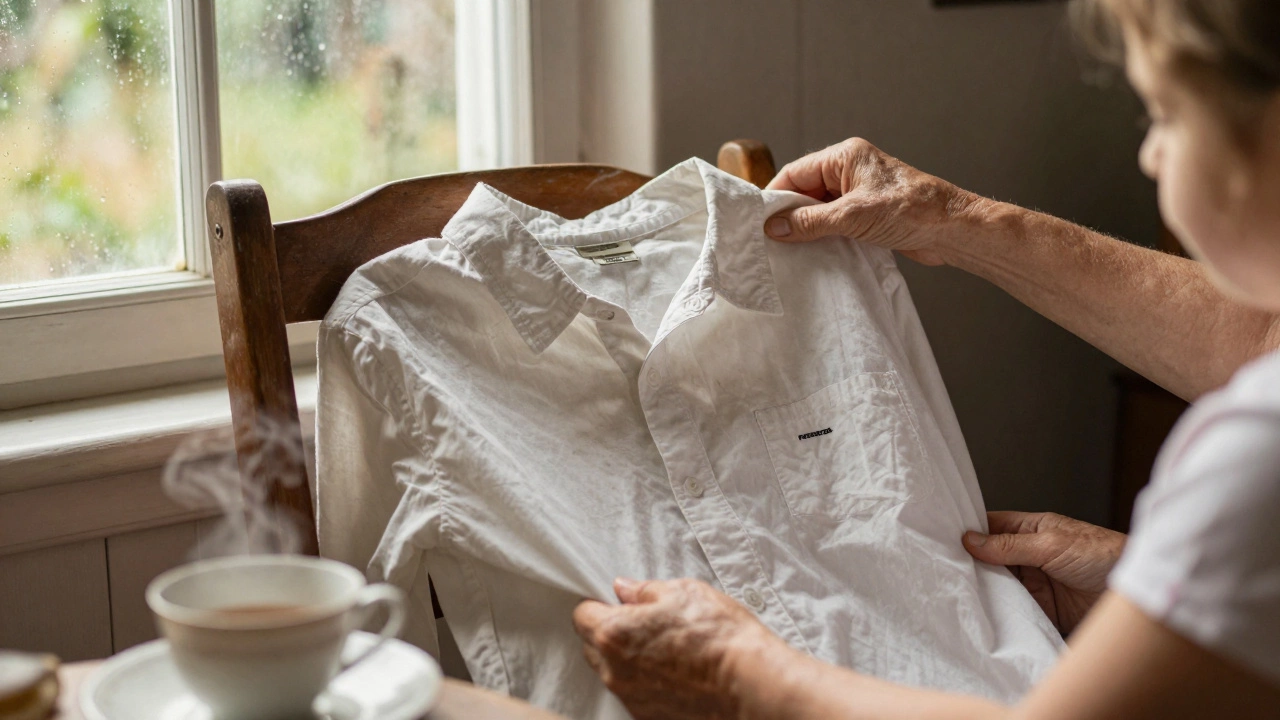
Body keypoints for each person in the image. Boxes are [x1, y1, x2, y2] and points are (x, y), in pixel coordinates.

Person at [571, 0, 1280, 717]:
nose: (1149, 155)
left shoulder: (1258, 450)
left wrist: (741, 676)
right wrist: (1161, 589)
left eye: (1164, 114)